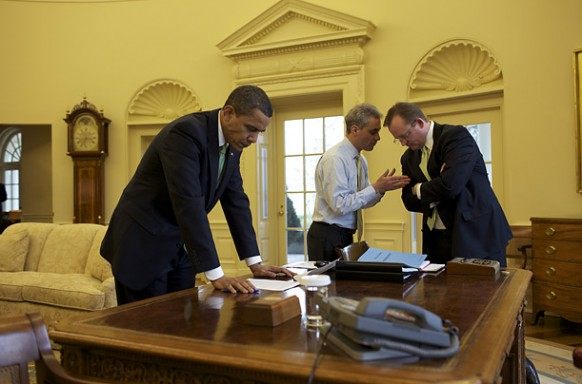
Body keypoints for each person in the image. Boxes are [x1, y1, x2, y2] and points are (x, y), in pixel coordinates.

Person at [101, 85, 293, 305]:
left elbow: (236, 201)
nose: (254, 139)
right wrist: (216, 274)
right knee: (145, 330)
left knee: (181, 326)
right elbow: (188, 202)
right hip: (142, 246)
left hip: (179, 247)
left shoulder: (233, 145)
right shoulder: (185, 133)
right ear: (229, 113)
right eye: (251, 128)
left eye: (260, 132)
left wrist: (255, 262)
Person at [384, 102, 511, 266]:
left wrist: (419, 188)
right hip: (435, 238)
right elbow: (408, 201)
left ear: (420, 123)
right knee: (440, 291)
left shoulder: (455, 137)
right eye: (398, 139)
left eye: (405, 135)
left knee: (486, 290)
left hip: (476, 233)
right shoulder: (408, 158)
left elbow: (451, 186)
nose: (402, 142)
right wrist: (439, 185)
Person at [307, 103, 410, 261]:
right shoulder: (335, 159)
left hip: (344, 234)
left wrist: (381, 189)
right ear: (355, 129)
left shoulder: (361, 160)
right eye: (373, 132)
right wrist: (375, 188)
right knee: (328, 286)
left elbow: (362, 202)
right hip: (327, 236)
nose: (378, 138)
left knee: (343, 285)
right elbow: (340, 205)